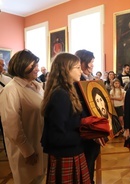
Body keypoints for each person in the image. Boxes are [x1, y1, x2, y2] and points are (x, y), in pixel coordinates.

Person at [41, 53, 90, 183]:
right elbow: (56, 136)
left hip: (72, 150)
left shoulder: (69, 90)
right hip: (65, 154)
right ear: (66, 69)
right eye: (78, 67)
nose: (81, 71)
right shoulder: (60, 95)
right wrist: (86, 135)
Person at [0, 50, 47, 183]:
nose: (37, 69)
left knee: (39, 178)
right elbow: (12, 126)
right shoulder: (11, 90)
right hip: (26, 151)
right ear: (22, 65)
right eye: (34, 65)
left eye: (37, 65)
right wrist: (28, 151)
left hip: (40, 143)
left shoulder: (37, 86)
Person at [75, 49, 100, 184]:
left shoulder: (88, 79)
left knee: (91, 160)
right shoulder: (77, 82)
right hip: (86, 130)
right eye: (90, 62)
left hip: (93, 128)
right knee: (87, 162)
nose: (92, 65)